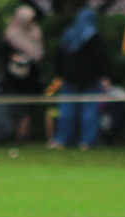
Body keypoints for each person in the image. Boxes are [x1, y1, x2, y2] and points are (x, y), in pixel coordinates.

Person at [50, 1, 110, 150]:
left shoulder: (68, 34)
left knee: (67, 110)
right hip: (90, 79)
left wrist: (59, 74)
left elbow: (59, 57)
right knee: (89, 111)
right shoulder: (93, 36)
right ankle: (86, 142)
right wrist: (104, 75)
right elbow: (100, 58)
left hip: (69, 78)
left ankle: (62, 140)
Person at [1, 3, 46, 142]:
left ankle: (22, 137)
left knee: (27, 109)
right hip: (13, 80)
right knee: (15, 109)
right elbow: (2, 57)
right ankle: (13, 135)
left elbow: (39, 55)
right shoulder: (10, 36)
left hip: (30, 80)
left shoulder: (36, 33)